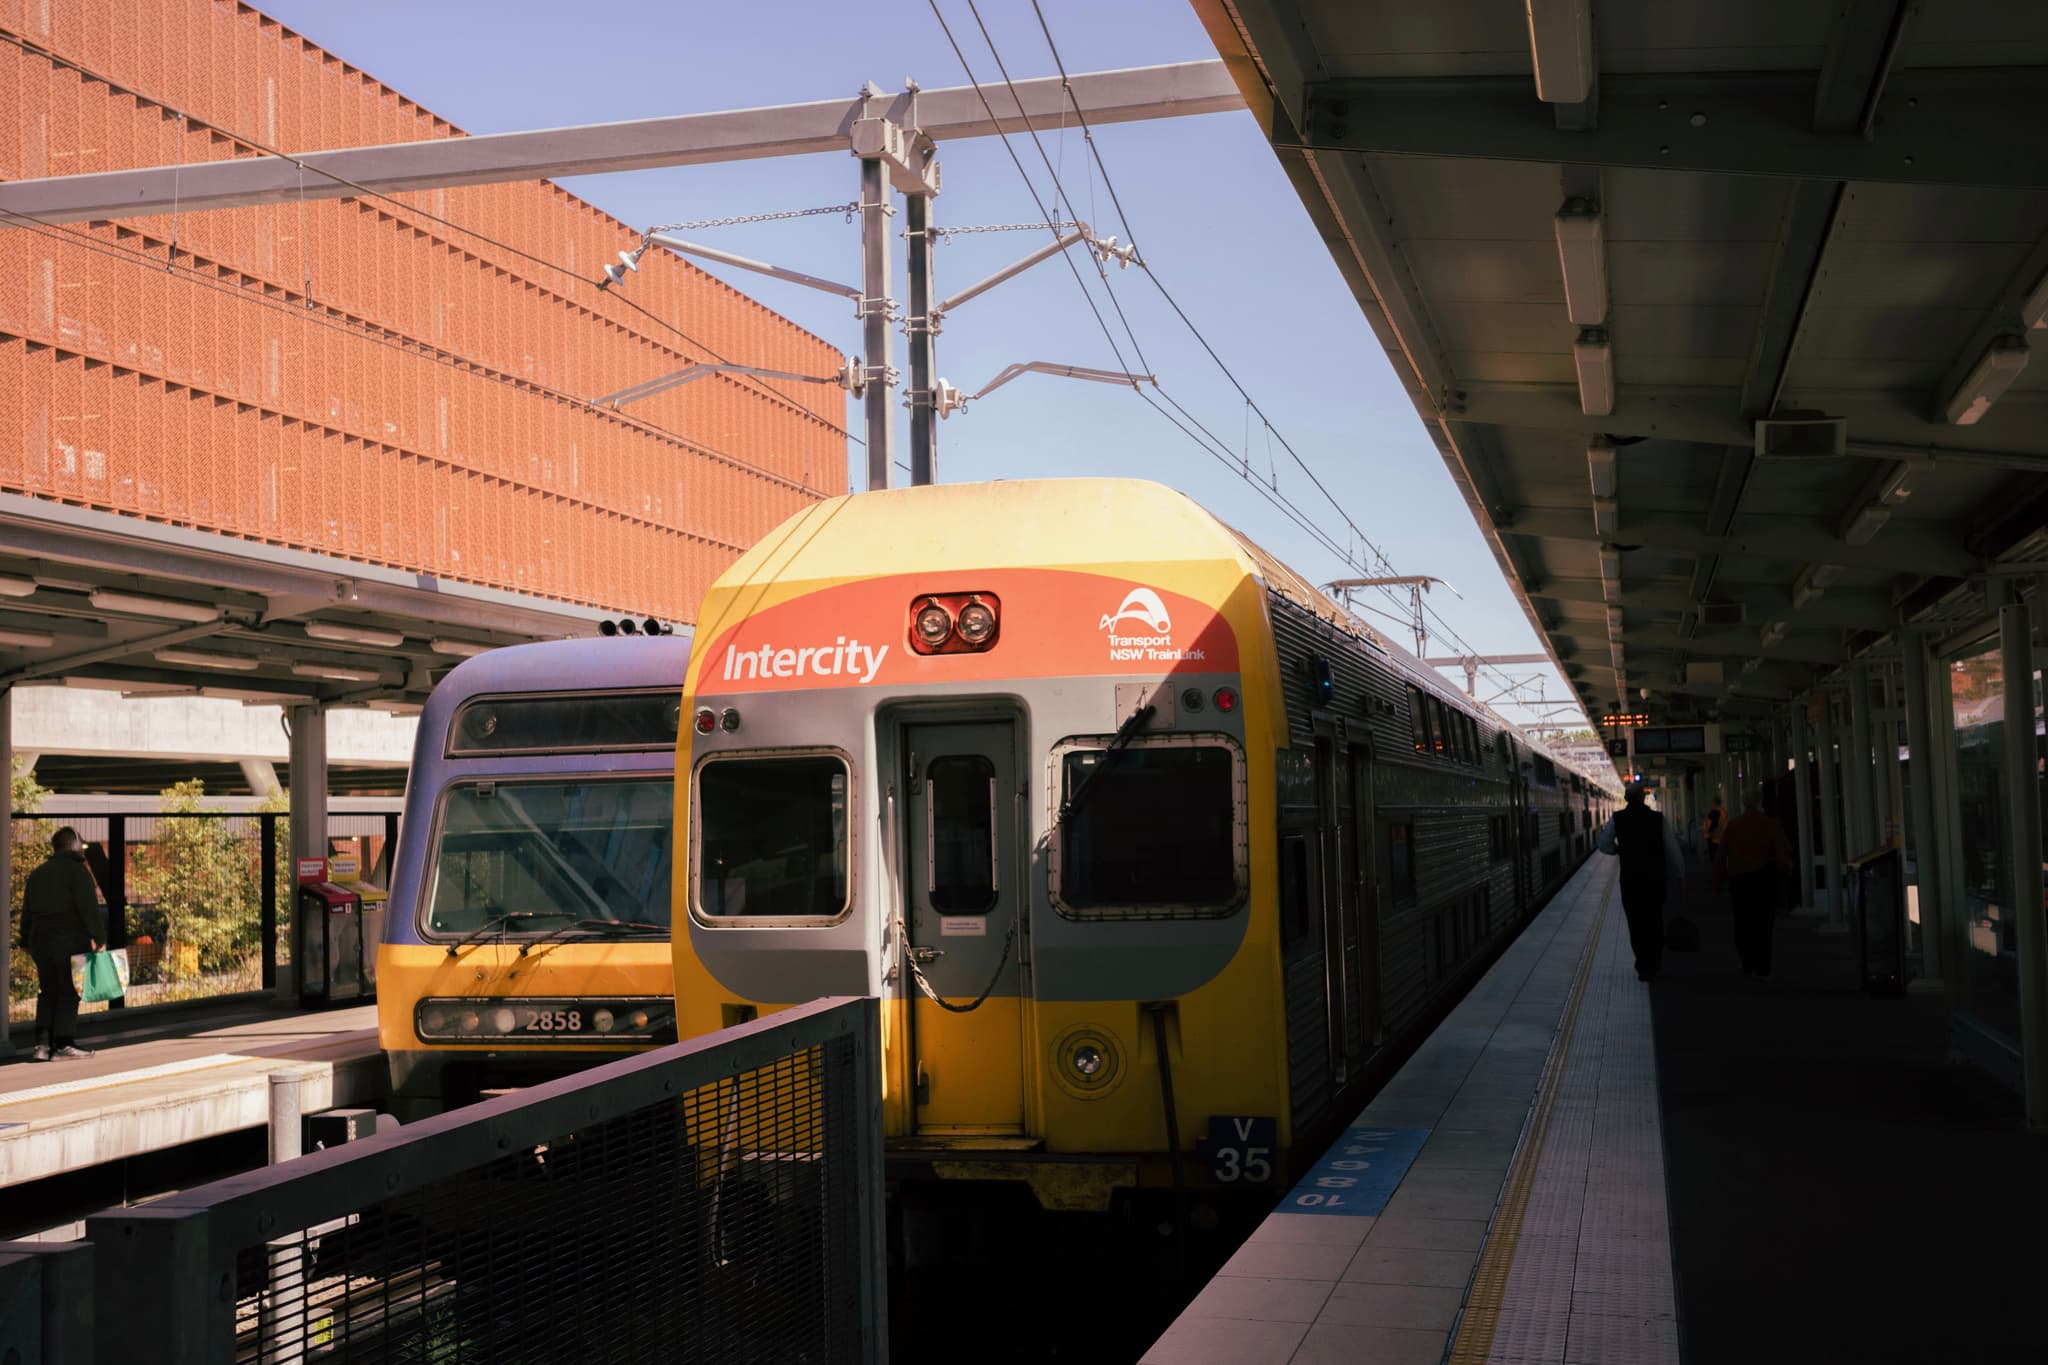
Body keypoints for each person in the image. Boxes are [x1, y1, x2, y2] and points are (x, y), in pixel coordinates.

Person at [19, 826, 105, 1062]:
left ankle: (42, 1046)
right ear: (74, 845)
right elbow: (89, 909)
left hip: (39, 939)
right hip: (69, 938)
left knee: (47, 990)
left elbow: (27, 911)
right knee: (68, 991)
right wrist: (100, 938)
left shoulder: (38, 873)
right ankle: (64, 1043)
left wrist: (25, 939)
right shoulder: (77, 872)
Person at [1597, 783, 1685, 982]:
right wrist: (1681, 875)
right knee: (1654, 920)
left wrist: (1618, 851)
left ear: (1627, 799)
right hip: (1656, 880)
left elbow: (1603, 845)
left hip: (1631, 881)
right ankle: (1654, 963)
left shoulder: (1617, 819)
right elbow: (1673, 849)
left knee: (1636, 923)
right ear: (1644, 798)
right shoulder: (1657, 819)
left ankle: (1643, 966)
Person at [1716, 791, 1796, 982]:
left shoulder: (1734, 826)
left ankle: (1747, 961)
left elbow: (1721, 855)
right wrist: (1786, 871)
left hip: (1740, 881)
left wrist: (1718, 881)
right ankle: (1763, 966)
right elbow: (1781, 852)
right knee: (1764, 923)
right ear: (1760, 802)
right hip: (1764, 880)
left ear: (1744, 804)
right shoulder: (1771, 824)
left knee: (1742, 922)